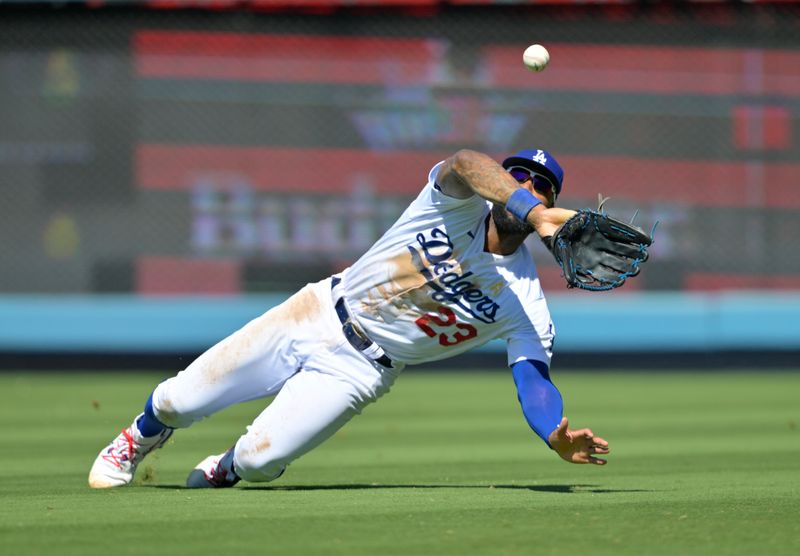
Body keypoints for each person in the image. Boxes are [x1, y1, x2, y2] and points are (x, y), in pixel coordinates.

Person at [88, 148, 610, 489]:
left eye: (539, 185)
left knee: (257, 464)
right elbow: (465, 162)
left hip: (362, 371)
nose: (523, 185)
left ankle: (228, 464)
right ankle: (141, 436)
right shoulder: (452, 205)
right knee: (179, 400)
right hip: (315, 313)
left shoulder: (525, 301)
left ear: (557, 209)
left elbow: (533, 379)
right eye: (516, 174)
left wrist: (552, 435)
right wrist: (527, 206)